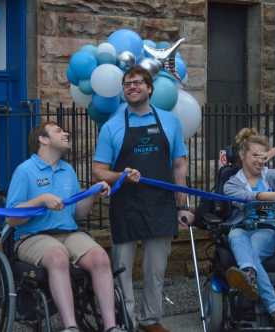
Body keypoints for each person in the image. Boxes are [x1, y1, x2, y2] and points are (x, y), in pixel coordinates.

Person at [92, 66, 194, 332]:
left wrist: (182, 205)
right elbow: (98, 170)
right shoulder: (111, 126)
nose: (132, 87)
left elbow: (179, 166)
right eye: (127, 84)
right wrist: (120, 175)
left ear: (150, 88)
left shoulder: (170, 122)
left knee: (155, 269)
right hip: (126, 206)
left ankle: (151, 319)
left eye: (137, 82)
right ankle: (126, 319)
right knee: (122, 268)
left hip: (160, 205)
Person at [5, 121, 125, 332]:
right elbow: (11, 219)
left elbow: (78, 213)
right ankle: (70, 327)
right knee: (58, 256)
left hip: (68, 233)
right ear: (43, 139)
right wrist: (40, 199)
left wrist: (93, 193)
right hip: (32, 236)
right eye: (58, 131)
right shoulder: (25, 170)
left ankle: (111, 327)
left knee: (100, 258)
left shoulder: (67, 170)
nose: (66, 133)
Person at [223, 127, 275, 328]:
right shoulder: (232, 183)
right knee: (236, 236)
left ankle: (248, 275)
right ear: (242, 155)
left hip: (265, 230)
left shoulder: (270, 176)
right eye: (255, 155)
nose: (260, 160)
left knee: (253, 248)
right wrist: (260, 196)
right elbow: (239, 198)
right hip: (242, 228)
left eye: (263, 155)